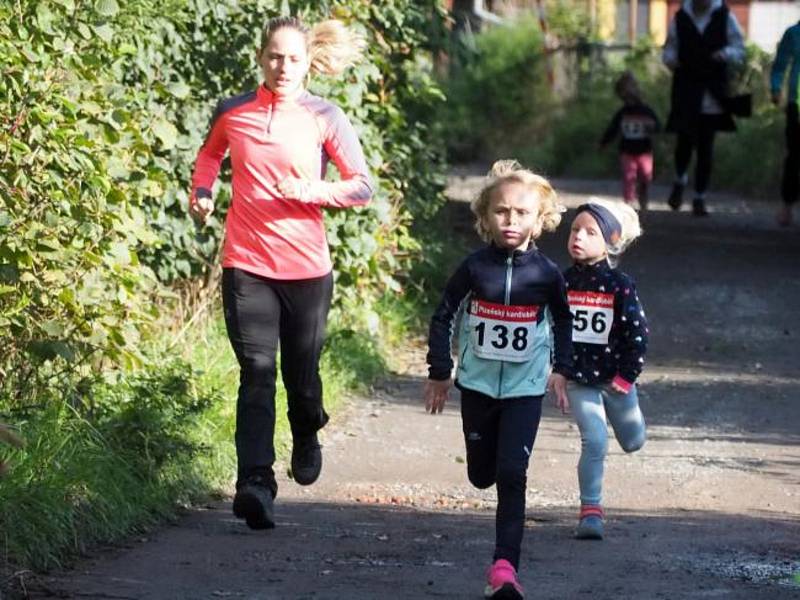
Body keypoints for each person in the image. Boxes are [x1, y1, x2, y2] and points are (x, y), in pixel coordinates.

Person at [189, 16, 372, 530]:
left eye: (293, 58)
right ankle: (255, 483)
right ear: (260, 57)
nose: (283, 67)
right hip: (246, 264)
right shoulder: (234, 112)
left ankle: (307, 428)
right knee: (257, 372)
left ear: (307, 61)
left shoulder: (325, 115)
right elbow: (209, 157)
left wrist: (314, 192)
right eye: (274, 56)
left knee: (302, 375)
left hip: (307, 269)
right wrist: (201, 194)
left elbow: (361, 186)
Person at [424, 160, 573, 600]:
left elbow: (564, 322)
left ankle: (505, 569)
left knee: (512, 472)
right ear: (486, 216)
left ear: (539, 219)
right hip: (478, 385)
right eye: (502, 211)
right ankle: (483, 472)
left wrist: (561, 369)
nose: (511, 221)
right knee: (480, 474)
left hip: (526, 389)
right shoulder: (474, 268)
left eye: (522, 213)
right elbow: (443, 316)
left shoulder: (546, 274)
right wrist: (440, 372)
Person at [563, 199, 648, 540]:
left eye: (589, 232)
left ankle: (629, 426)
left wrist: (627, 376)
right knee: (594, 440)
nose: (578, 237)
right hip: (579, 379)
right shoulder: (561, 281)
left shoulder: (619, 285)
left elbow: (638, 334)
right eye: (574, 230)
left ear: (609, 242)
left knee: (633, 441)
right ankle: (591, 512)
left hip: (616, 380)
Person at [662, 0, 745, 216]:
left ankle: (699, 196)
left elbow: (739, 48)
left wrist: (724, 54)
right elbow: (669, 49)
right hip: (686, 90)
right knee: (684, 142)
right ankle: (680, 180)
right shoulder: (680, 17)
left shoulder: (725, 16)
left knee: (706, 146)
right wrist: (672, 61)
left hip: (713, 93)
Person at [599, 71, 660, 211]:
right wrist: (604, 143)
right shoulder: (622, 113)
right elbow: (612, 129)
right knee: (629, 176)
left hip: (645, 150)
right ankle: (628, 204)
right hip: (627, 151)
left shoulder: (646, 111)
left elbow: (657, 126)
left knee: (645, 176)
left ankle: (643, 201)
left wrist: (652, 127)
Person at [770, 20, 800, 227]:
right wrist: (776, 87)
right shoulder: (794, 33)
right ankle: (787, 204)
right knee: (795, 156)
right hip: (796, 103)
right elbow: (780, 63)